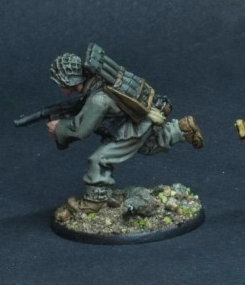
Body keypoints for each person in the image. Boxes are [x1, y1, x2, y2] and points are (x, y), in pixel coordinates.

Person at [47, 51, 203, 213]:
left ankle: (94, 201)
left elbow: (81, 130)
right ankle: (182, 129)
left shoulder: (98, 99)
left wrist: (58, 128)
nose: (59, 87)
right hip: (135, 122)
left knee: (99, 160)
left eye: (59, 83)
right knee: (149, 146)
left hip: (131, 128)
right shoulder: (98, 82)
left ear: (67, 81)